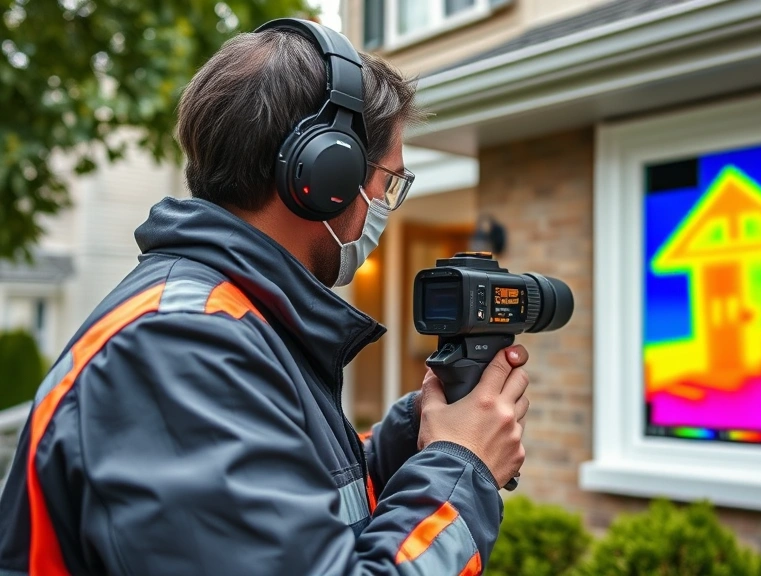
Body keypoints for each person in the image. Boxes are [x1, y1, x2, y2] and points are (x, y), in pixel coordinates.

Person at [0, 19, 529, 576]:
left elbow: (293, 509)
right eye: (388, 182)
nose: (383, 209)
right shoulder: (182, 345)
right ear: (327, 172)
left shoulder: (234, 322)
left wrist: (414, 432)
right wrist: (461, 467)